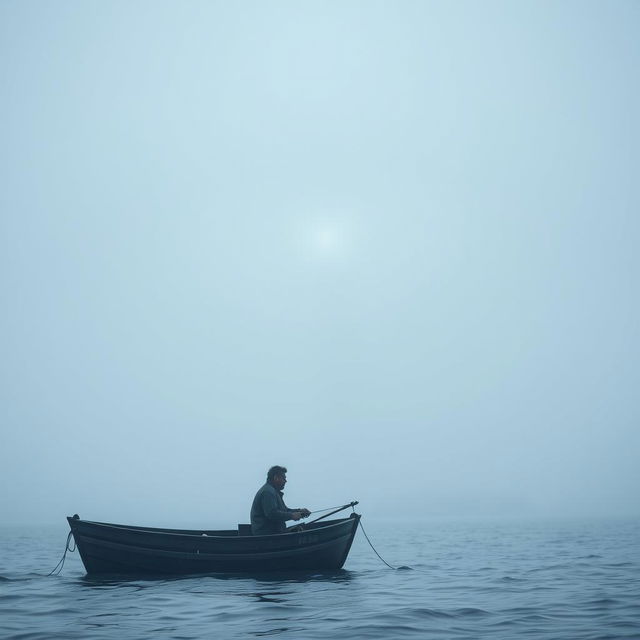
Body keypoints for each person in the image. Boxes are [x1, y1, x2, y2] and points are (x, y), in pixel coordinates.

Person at [250, 465, 311, 535]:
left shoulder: (272, 491)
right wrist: (292, 516)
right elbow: (272, 514)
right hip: (267, 537)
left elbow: (284, 511)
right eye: (284, 478)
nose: (286, 481)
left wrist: (299, 511)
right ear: (276, 478)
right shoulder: (267, 492)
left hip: (274, 534)